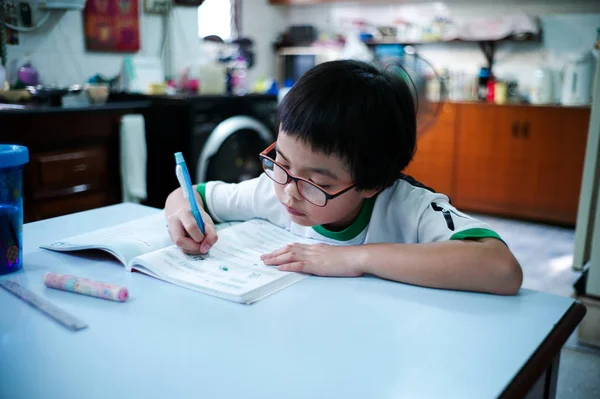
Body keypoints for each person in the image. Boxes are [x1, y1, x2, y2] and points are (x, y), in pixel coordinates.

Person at [164, 60, 522, 295]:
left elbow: (501, 268)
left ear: (372, 183)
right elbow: (187, 195)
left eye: (317, 183)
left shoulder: (409, 208)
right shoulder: (275, 187)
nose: (289, 194)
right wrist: (183, 218)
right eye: (281, 162)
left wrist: (356, 258)